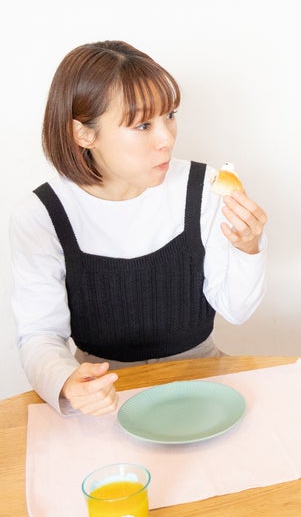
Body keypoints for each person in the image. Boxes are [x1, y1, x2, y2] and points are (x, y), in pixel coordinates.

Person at [9, 40, 268, 417]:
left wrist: (248, 247)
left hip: (205, 379)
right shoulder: (41, 215)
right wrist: (68, 382)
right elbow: (39, 334)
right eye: (142, 125)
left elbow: (237, 310)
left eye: (170, 116)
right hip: (107, 394)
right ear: (84, 134)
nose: (166, 138)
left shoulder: (205, 187)